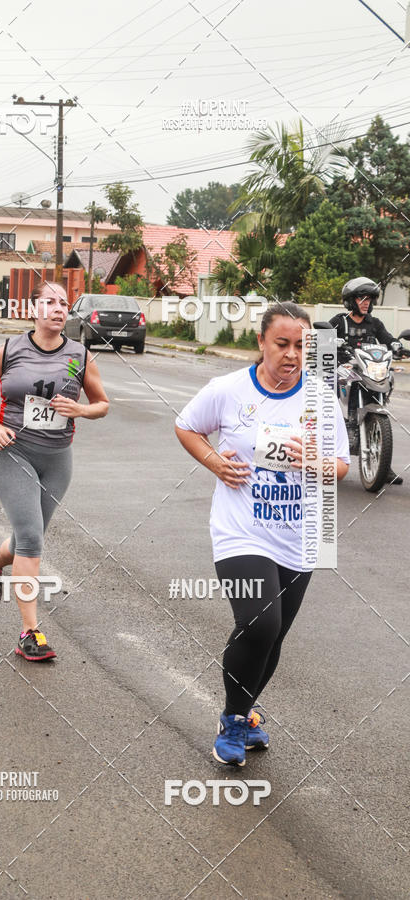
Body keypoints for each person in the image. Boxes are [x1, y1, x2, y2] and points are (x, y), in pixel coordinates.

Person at [175, 301, 350, 767]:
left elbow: (340, 466)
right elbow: (187, 426)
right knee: (261, 623)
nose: (292, 354)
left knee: (273, 638)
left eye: (301, 345)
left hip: (301, 535)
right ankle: (233, 720)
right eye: (282, 343)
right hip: (241, 532)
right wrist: (215, 462)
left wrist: (312, 460)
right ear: (261, 342)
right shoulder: (228, 390)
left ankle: (244, 711)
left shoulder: (320, 398)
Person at [0, 281, 109, 661]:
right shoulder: (9, 350)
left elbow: (102, 404)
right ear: (34, 309)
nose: (58, 308)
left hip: (58, 459)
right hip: (11, 452)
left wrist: (81, 410)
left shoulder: (81, 355)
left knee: (26, 538)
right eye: (49, 302)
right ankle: (30, 632)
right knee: (31, 540)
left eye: (64, 303)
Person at [329, 276, 404, 484]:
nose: (366, 302)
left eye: (369, 299)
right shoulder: (340, 321)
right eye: (362, 298)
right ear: (351, 300)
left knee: (384, 384)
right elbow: (322, 338)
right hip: (345, 369)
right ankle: (339, 426)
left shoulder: (374, 323)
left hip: (369, 370)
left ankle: (382, 466)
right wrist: (328, 341)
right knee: (330, 388)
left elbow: (387, 339)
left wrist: (396, 345)